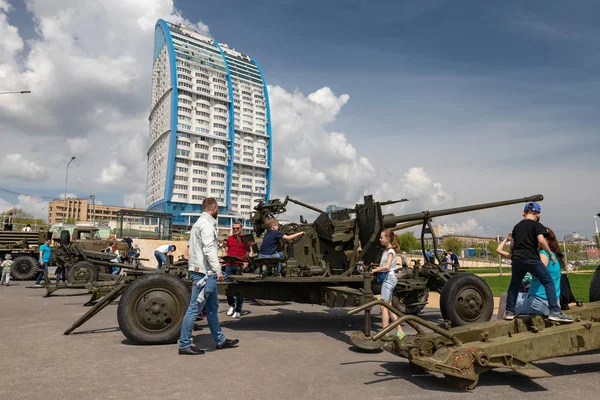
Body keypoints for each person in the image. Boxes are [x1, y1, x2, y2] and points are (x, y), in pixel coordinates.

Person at [178, 197, 238, 355]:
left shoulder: (199, 223)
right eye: (218, 209)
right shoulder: (206, 225)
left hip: (203, 271)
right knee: (194, 309)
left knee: (212, 308)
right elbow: (209, 248)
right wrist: (218, 270)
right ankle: (184, 344)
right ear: (214, 208)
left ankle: (220, 340)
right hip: (204, 273)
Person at [504, 202, 572, 323]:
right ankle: (555, 311)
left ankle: (510, 312)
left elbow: (512, 246)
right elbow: (541, 241)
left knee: (514, 284)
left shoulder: (516, 227)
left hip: (517, 259)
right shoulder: (537, 225)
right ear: (538, 214)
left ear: (523, 213)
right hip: (531, 258)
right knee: (548, 281)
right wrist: (550, 254)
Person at [370, 229, 405, 339]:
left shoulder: (390, 252)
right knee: (388, 307)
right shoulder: (386, 251)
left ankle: (384, 333)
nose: (380, 239)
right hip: (389, 278)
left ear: (387, 239)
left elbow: (387, 267)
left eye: (381, 237)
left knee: (383, 307)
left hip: (389, 278)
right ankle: (400, 332)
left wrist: (375, 270)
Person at [224, 221, 249, 318]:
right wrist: (224, 257)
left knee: (239, 289)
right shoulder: (230, 238)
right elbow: (226, 250)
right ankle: (231, 305)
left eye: (237, 228)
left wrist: (247, 261)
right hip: (229, 265)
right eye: (234, 228)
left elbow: (250, 252)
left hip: (239, 265)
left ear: (241, 228)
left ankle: (238, 310)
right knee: (228, 287)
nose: (235, 230)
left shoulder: (245, 239)